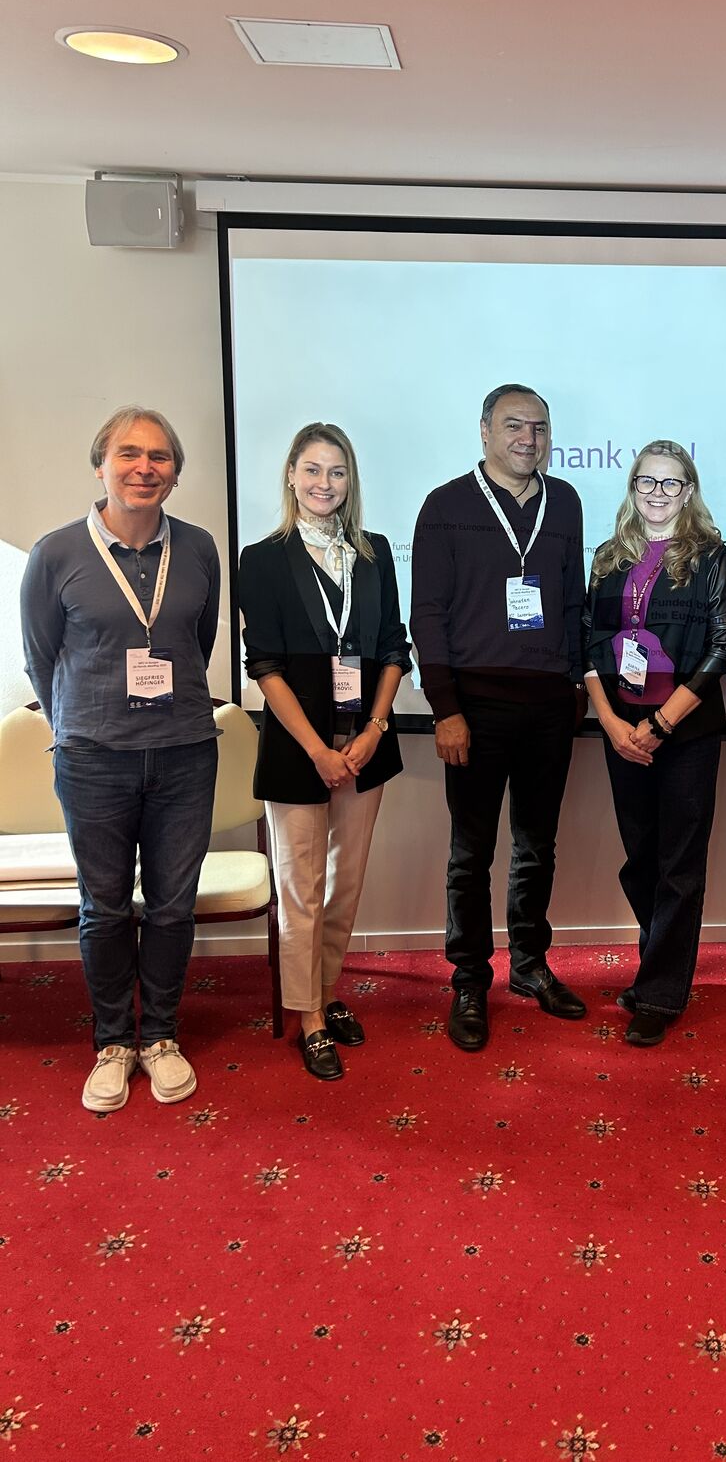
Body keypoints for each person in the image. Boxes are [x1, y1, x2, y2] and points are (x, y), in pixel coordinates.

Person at [20, 407, 220, 1113]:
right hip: (93, 760)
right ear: (100, 464)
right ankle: (112, 1042)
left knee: (172, 906)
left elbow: (199, 640)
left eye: (160, 456)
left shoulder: (198, 548)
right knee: (104, 907)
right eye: (129, 453)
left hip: (185, 754)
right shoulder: (55, 553)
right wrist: (81, 722)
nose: (145, 467)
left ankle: (159, 1035)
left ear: (175, 473)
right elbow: (41, 657)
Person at [411, 384, 588, 1052]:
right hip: (475, 707)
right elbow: (427, 615)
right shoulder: (445, 505)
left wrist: (575, 685)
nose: (528, 438)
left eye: (539, 427)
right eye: (514, 425)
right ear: (485, 431)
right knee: (471, 853)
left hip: (548, 705)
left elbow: (571, 602)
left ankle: (530, 964)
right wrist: (446, 709)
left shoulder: (564, 501)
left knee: (537, 846)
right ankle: (468, 979)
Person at [238, 423, 412, 1080]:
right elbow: (265, 665)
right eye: (311, 469)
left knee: (344, 883)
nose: (324, 483)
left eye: (336, 471)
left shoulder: (374, 552)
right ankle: (308, 1015)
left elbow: (393, 647)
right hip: (298, 749)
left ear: (350, 480)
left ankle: (328, 989)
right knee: (301, 889)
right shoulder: (263, 558)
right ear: (291, 475)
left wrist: (374, 729)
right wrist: (317, 748)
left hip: (365, 744)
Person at [582, 441, 726, 1046]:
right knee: (641, 859)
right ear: (632, 487)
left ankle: (658, 993)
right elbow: (590, 643)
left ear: (689, 491)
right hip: (621, 732)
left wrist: (661, 725)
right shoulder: (608, 558)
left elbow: (722, 648)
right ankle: (661, 967)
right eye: (647, 481)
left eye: (671, 483)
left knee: (679, 864)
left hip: (686, 734)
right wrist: (609, 722)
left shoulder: (711, 558)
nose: (657, 493)